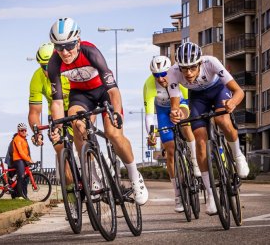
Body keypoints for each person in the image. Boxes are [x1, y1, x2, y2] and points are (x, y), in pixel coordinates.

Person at [47, 17, 148, 205]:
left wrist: (116, 112)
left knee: (113, 133)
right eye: (59, 47)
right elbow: (58, 103)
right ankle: (91, 176)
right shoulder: (54, 63)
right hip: (81, 95)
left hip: (103, 92)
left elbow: (113, 90)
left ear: (77, 41)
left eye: (69, 46)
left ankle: (135, 177)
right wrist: (57, 128)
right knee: (76, 123)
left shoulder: (91, 52)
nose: (65, 52)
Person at [167, 41, 250, 215]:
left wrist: (232, 103)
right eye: (184, 68)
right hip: (198, 98)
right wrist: (175, 113)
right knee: (200, 139)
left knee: (222, 119)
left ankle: (238, 155)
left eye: (192, 68)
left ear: (199, 63)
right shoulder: (173, 73)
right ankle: (211, 194)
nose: (188, 73)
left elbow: (239, 91)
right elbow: (175, 104)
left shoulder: (211, 62)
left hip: (218, 90)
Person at [143, 55, 199, 212]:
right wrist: (152, 134)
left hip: (181, 103)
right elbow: (149, 115)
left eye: (163, 74)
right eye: (156, 75)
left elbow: (190, 100)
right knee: (170, 150)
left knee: (185, 123)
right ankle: (178, 195)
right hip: (162, 111)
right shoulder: (149, 85)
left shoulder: (178, 77)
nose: (161, 79)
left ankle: (194, 160)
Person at [28, 42, 73, 180]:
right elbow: (34, 112)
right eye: (45, 67)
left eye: (53, 64)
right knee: (60, 150)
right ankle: (73, 188)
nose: (49, 70)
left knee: (82, 137)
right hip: (56, 113)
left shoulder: (69, 70)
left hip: (74, 107)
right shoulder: (37, 77)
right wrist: (37, 132)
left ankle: (92, 169)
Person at [12, 123, 34, 199]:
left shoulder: (24, 139)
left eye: (25, 130)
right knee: (21, 177)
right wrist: (29, 160)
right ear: (18, 131)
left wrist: (30, 160)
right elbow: (20, 152)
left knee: (25, 178)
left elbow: (26, 152)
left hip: (23, 160)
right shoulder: (17, 138)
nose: (24, 131)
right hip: (18, 160)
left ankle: (24, 195)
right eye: (22, 130)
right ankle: (20, 195)